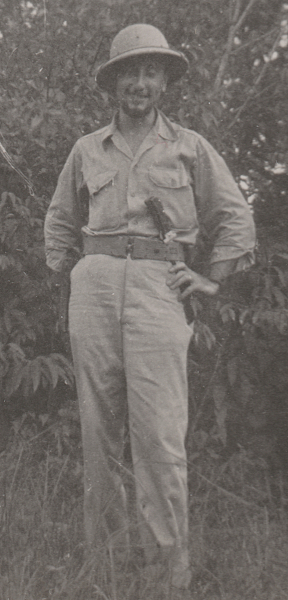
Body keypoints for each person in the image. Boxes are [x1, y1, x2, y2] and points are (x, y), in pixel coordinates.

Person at [44, 23, 255, 595]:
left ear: (164, 81)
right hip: (94, 290)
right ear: (113, 82)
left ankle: (167, 578)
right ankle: (109, 569)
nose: (140, 82)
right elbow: (61, 221)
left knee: (160, 435)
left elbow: (235, 219)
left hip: (162, 291)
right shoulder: (89, 148)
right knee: (99, 432)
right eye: (130, 72)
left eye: (151, 71)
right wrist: (77, 272)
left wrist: (209, 281)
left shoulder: (188, 146)